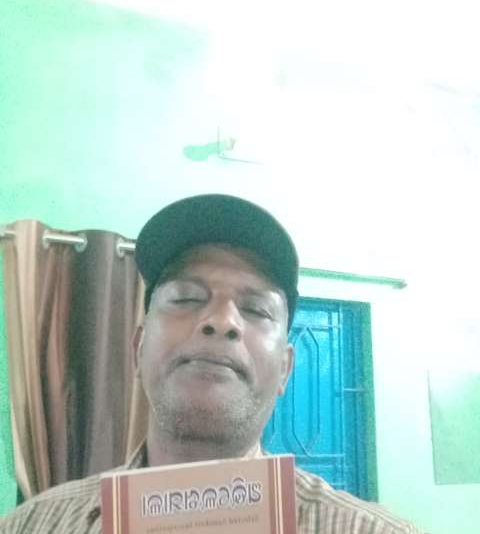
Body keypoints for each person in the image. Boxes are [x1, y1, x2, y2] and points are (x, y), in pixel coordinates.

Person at [0, 194, 423, 533]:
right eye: (186, 298)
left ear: (285, 370)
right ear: (138, 349)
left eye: (256, 309)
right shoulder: (29, 526)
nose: (222, 321)